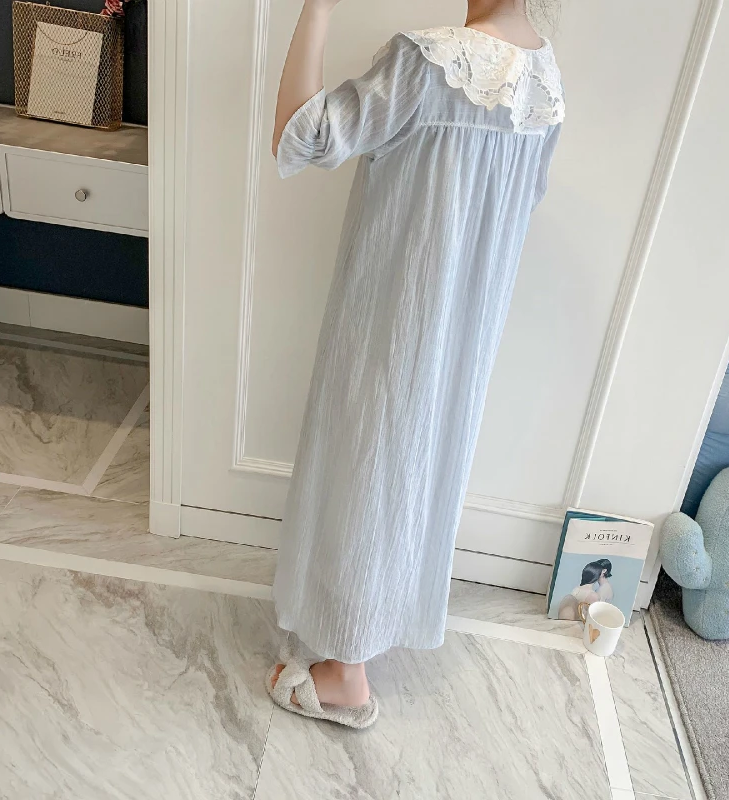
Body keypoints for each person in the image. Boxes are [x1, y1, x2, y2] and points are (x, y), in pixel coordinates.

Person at [266, 0, 564, 728]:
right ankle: (368, 632)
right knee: (412, 473)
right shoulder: (546, 82)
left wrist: (317, 6)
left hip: (393, 313)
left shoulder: (428, 61)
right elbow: (523, 202)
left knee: (365, 467)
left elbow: (301, 134)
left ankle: (347, 675)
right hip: (465, 333)